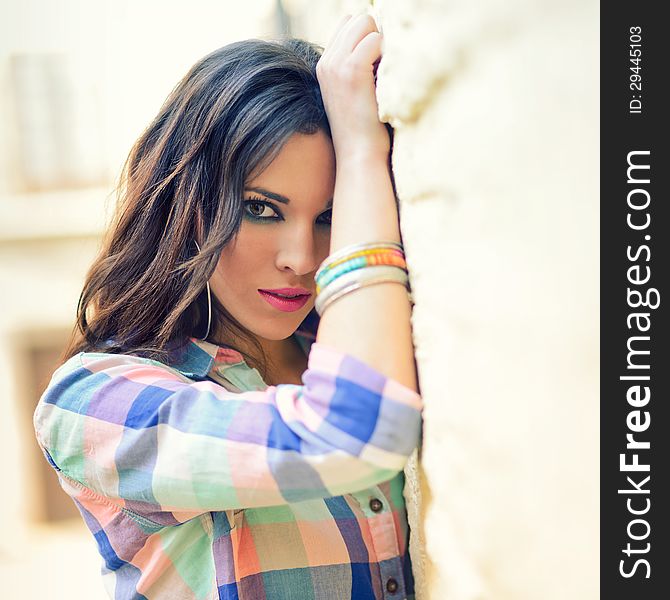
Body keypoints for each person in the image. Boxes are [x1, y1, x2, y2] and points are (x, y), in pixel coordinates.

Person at [33, 12, 422, 600]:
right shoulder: (92, 401)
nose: (301, 257)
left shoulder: (356, 347)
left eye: (328, 217)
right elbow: (349, 433)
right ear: (189, 208)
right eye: (261, 208)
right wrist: (362, 153)